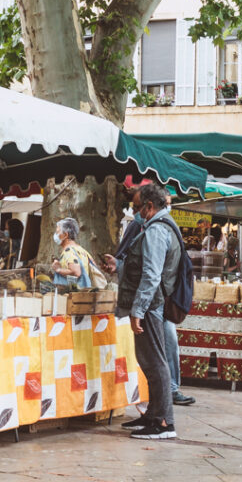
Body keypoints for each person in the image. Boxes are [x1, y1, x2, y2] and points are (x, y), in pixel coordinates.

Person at [102, 183, 180, 439]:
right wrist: (121, 266)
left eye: (137, 207)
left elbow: (151, 275)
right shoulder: (157, 226)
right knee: (149, 360)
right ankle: (154, 414)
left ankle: (164, 422)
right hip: (150, 304)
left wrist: (138, 309)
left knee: (156, 361)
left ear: (149, 206)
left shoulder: (157, 230)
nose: (134, 211)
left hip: (150, 306)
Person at [51, 217, 92, 289]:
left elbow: (76, 272)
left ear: (65, 235)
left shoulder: (69, 251)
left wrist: (58, 269)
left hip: (74, 296)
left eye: (57, 232)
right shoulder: (82, 250)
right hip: (84, 293)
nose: (55, 235)